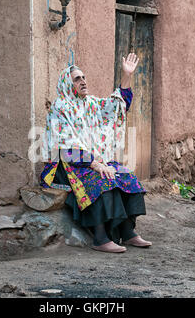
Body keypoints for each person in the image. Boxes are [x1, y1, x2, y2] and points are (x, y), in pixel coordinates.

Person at [40, 53, 152, 253]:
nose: (83, 81)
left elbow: (118, 106)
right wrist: (95, 164)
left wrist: (126, 76)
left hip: (91, 160)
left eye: (83, 77)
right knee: (101, 180)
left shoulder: (90, 103)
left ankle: (127, 232)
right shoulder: (60, 108)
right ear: (68, 84)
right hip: (66, 164)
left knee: (125, 176)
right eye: (77, 79)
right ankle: (100, 238)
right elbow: (64, 149)